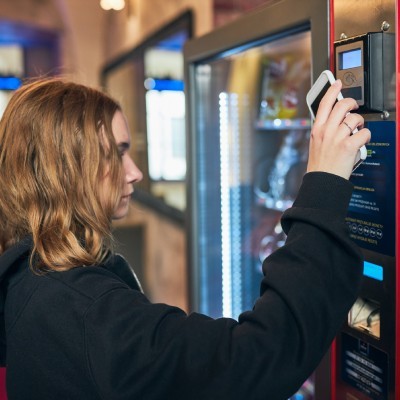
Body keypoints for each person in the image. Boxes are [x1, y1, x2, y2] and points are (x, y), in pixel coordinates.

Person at [0, 77, 370, 400]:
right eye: (117, 153)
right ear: (62, 170)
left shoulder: (28, 278)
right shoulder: (81, 311)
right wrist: (324, 185)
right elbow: (252, 359)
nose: (135, 173)